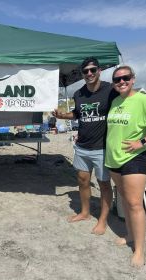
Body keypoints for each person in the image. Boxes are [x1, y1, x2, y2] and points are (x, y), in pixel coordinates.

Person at [53, 57, 118, 235]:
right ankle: (85, 212)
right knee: (82, 181)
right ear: (82, 74)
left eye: (92, 70)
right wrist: (61, 115)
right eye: (86, 71)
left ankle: (103, 219)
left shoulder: (111, 90)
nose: (89, 73)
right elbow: (76, 114)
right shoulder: (79, 93)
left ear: (99, 71)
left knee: (104, 184)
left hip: (102, 148)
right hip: (82, 147)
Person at [105, 66, 146, 267]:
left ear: (133, 79)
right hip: (113, 159)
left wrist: (141, 143)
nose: (121, 81)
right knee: (124, 200)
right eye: (117, 79)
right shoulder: (115, 102)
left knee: (134, 203)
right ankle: (130, 235)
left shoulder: (143, 100)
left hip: (134, 158)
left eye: (125, 78)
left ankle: (139, 250)